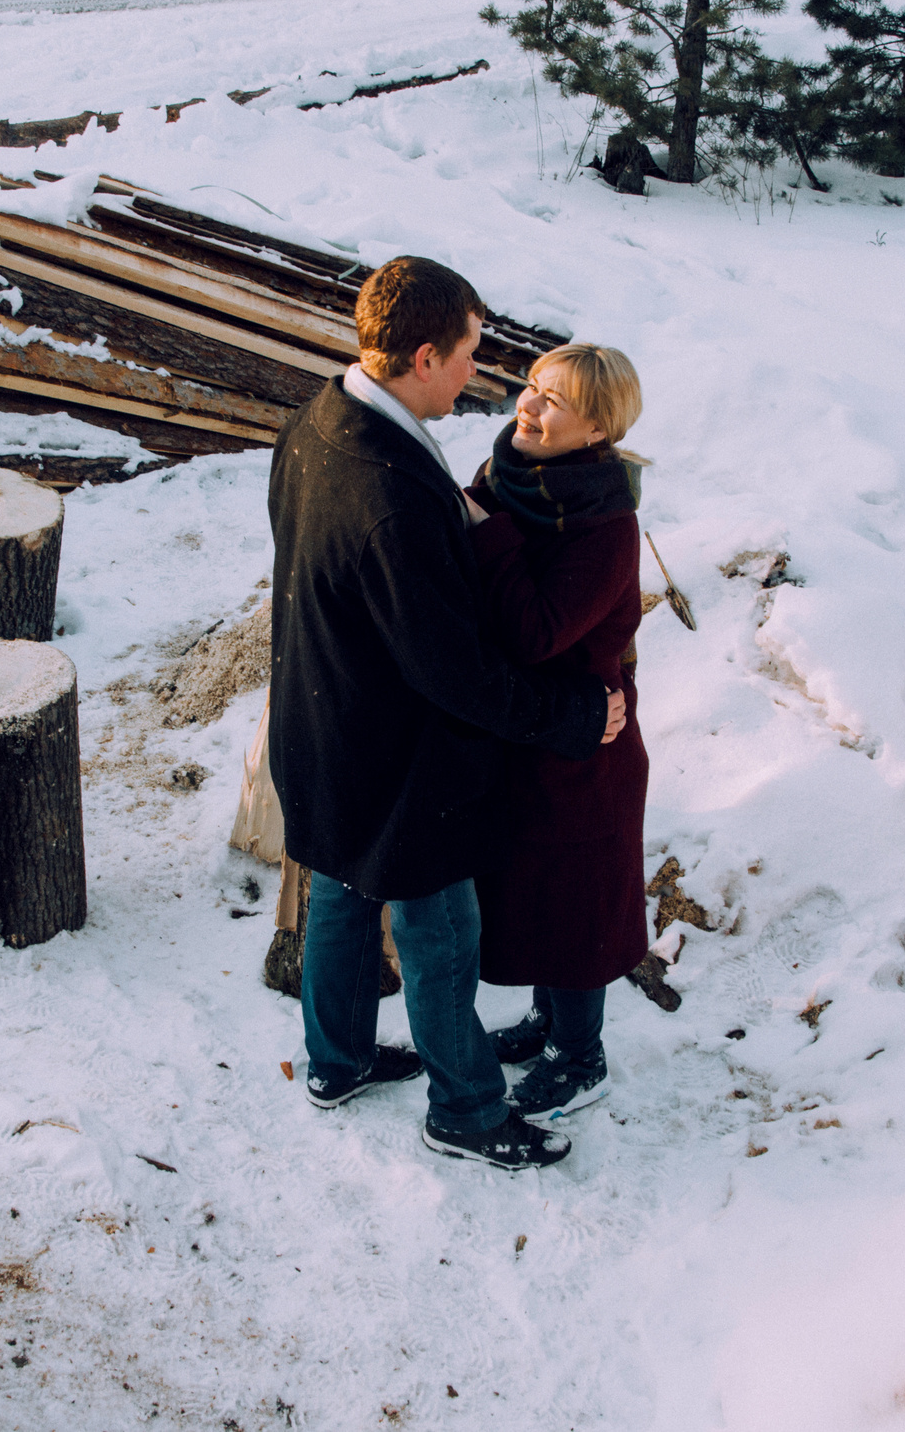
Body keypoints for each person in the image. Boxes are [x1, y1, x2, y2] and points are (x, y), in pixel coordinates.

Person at [266, 255, 624, 1172]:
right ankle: (464, 1108)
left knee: (343, 897)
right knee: (438, 933)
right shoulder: (394, 493)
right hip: (398, 759)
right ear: (424, 355)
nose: (482, 378)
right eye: (470, 354)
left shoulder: (317, 421)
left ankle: (335, 1061)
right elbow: (455, 671)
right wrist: (575, 716)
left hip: (321, 726)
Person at [461, 345, 650, 1126]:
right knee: (536, 886)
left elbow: (538, 630)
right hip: (529, 729)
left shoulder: (605, 524)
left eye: (554, 401)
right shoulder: (507, 471)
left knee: (578, 902)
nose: (527, 408)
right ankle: (549, 1020)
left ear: (597, 428)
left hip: (585, 746)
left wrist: (488, 532)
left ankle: (581, 1054)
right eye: (532, 388)